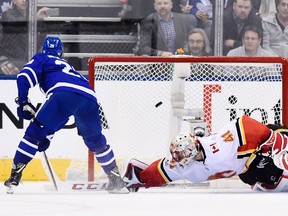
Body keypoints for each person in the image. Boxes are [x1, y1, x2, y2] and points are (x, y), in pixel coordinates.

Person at [4, 36, 128, 194]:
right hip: (90, 98)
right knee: (96, 141)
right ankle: (116, 179)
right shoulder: (68, 66)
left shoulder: (42, 58)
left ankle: (15, 176)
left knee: (33, 135)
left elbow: (23, 77)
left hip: (64, 94)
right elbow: (65, 112)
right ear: (61, 53)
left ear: (43, 49)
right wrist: (48, 134)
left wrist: (23, 102)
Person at [123, 115, 288, 192]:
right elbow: (159, 171)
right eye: (177, 156)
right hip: (247, 168)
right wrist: (139, 178)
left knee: (279, 142)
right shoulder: (183, 167)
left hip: (259, 147)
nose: (178, 160)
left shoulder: (218, 145)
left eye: (181, 155)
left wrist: (272, 139)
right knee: (274, 181)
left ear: (191, 150)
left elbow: (244, 123)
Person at [0, 0, 49, 71]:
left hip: (25, 60)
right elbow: (15, 23)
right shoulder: (7, 14)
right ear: (14, 1)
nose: (24, 1)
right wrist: (35, 18)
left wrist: (43, 25)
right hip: (10, 59)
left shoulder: (32, 19)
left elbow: (36, 44)